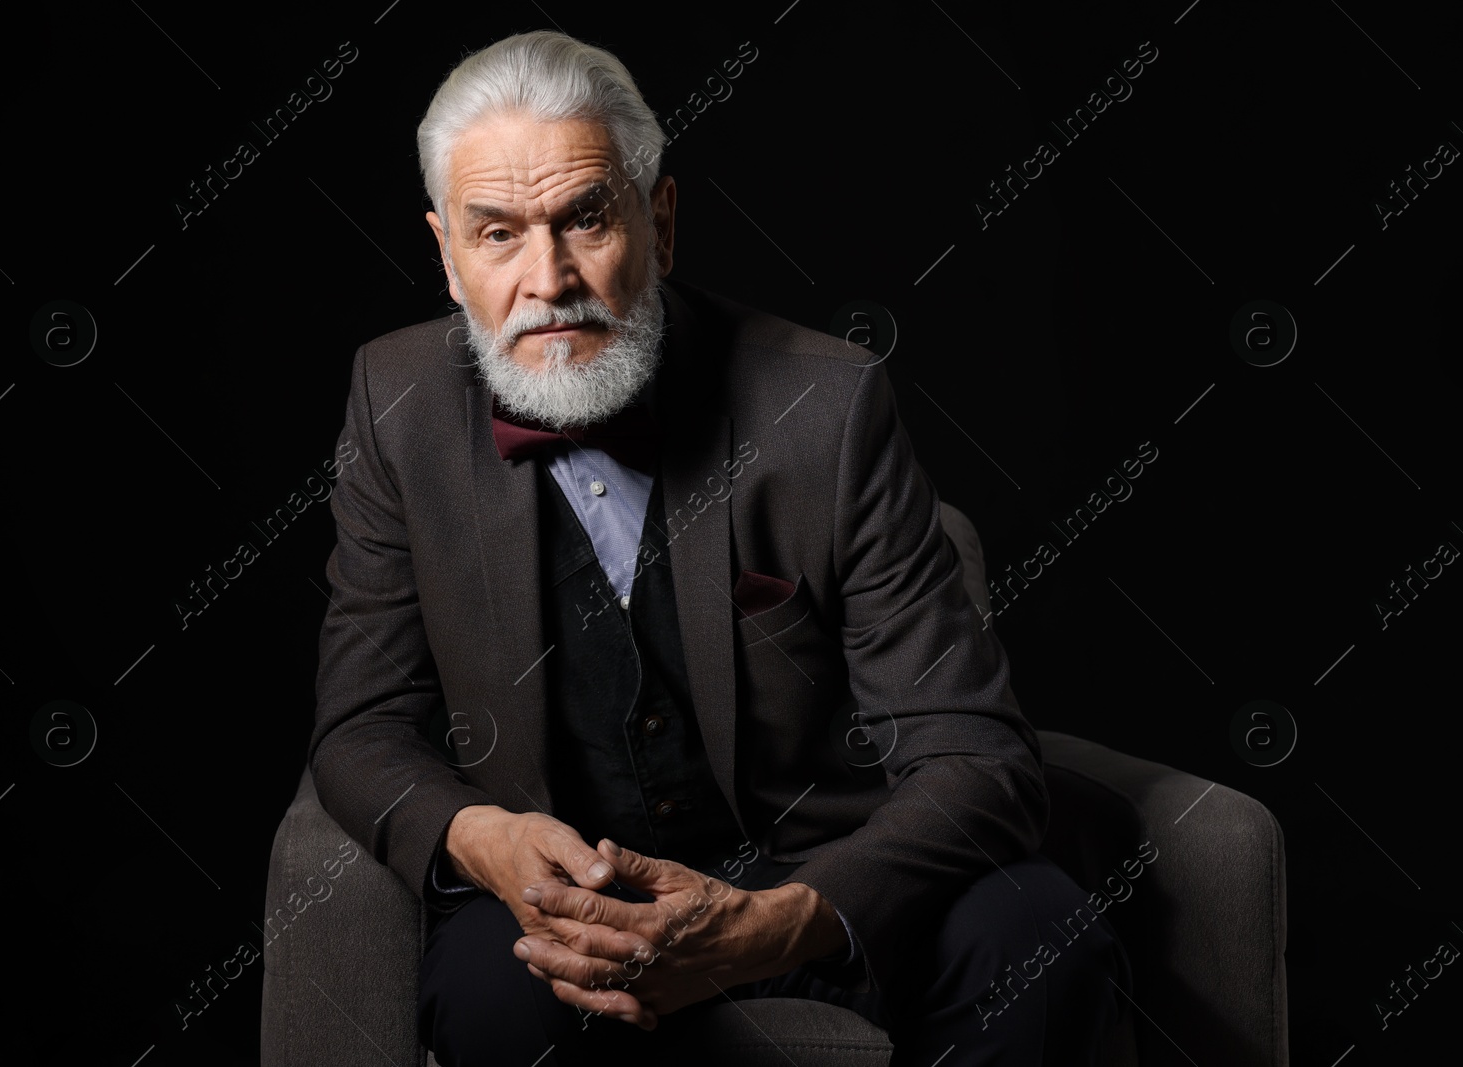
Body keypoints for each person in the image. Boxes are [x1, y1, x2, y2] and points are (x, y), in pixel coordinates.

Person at [309, 29, 1130, 1066]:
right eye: (497, 234)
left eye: (586, 219)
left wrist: (780, 918)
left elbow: (974, 754)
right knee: (489, 998)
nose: (547, 278)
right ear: (445, 252)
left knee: (1039, 940)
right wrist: (486, 838)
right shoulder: (395, 404)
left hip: (820, 869)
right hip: (566, 894)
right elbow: (362, 724)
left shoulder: (826, 406)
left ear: (659, 217)